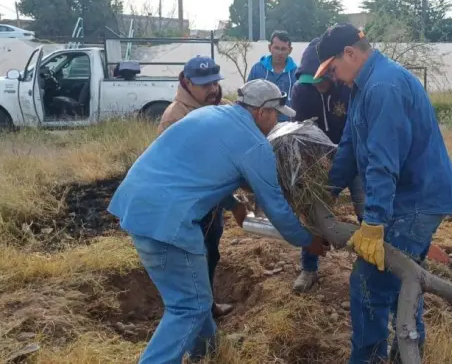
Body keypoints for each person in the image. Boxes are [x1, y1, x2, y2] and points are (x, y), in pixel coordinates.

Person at [108, 79, 329, 363]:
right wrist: (307, 241)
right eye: (275, 114)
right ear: (262, 111)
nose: (276, 122)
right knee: (190, 306)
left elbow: (197, 167)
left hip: (137, 204)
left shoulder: (207, 114)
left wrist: (232, 203)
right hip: (168, 221)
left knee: (194, 297)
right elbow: (276, 209)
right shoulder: (254, 144)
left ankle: (209, 352)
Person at [314, 23, 452, 364]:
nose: (334, 76)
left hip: (418, 201)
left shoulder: (384, 86)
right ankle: (405, 353)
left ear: (350, 54)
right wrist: (325, 193)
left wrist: (374, 222)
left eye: (333, 67)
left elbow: (383, 163)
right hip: (409, 196)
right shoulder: (362, 87)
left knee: (367, 285)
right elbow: (352, 149)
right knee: (402, 276)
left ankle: (371, 359)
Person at [157, 55, 233, 318]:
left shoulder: (221, 108)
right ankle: (189, 314)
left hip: (213, 202)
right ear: (187, 83)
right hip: (187, 207)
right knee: (191, 260)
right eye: (204, 85)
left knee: (211, 253)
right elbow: (175, 170)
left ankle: (208, 307)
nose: (212, 89)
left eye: (214, 82)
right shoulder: (174, 117)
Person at [289, 38, 365, 293]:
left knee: (367, 211)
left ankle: (370, 268)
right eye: (312, 81)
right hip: (318, 161)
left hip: (352, 158)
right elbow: (301, 131)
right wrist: (317, 158)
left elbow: (355, 129)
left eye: (321, 79)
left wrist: (343, 156)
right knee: (314, 212)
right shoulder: (301, 91)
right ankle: (309, 268)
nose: (318, 86)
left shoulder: (348, 87)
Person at [247, 30, 297, 122]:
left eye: (283, 49)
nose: (280, 52)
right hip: (260, 125)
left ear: (290, 50)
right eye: (276, 48)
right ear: (270, 48)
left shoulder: (296, 72)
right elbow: (247, 97)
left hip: (288, 126)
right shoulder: (257, 69)